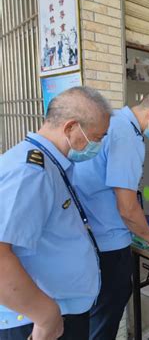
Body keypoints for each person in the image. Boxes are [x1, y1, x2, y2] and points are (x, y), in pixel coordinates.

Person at [0, 87, 112, 340]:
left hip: (56, 312)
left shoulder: (48, 163)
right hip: (38, 321)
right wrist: (46, 316)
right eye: (97, 137)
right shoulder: (30, 171)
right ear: (71, 128)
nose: (99, 145)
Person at [73, 86, 149, 339]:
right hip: (108, 239)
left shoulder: (112, 122)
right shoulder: (126, 135)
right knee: (106, 312)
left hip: (89, 233)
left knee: (94, 311)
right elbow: (127, 205)